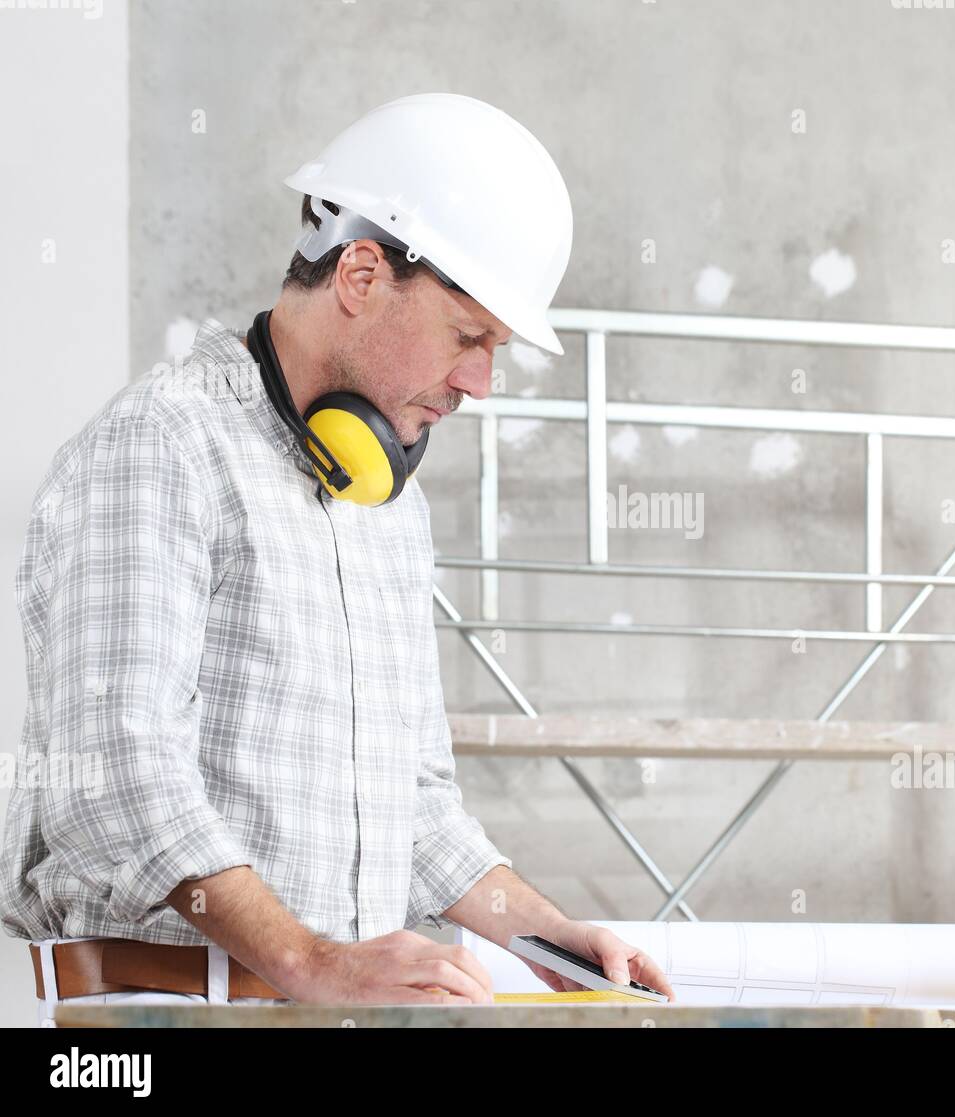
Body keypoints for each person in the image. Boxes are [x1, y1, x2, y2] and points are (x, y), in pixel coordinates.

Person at [1, 93, 674, 1026]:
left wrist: (550, 938)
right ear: (361, 273)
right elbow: (117, 777)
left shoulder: (385, 507)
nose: (481, 382)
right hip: (145, 1024)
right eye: (469, 336)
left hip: (314, 1015)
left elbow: (416, 808)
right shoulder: (162, 446)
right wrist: (310, 961)